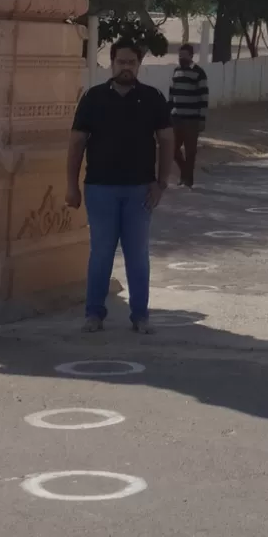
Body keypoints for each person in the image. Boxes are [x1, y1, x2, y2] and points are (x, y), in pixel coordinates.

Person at [66, 42, 172, 334]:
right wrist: (71, 186)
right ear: (111, 63)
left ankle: (140, 315)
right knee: (101, 252)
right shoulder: (93, 99)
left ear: (139, 65)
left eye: (132, 63)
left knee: (137, 254)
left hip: (140, 191)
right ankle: (93, 314)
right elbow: (76, 144)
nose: (127, 67)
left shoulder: (153, 99)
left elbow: (166, 141)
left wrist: (161, 184)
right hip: (100, 188)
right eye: (121, 62)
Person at [167, 42, 210, 186]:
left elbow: (204, 98)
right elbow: (172, 94)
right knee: (172, 149)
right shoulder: (176, 71)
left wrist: (202, 119)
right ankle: (185, 172)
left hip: (192, 119)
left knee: (190, 151)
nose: (181, 58)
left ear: (191, 56)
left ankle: (188, 180)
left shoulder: (199, 73)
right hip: (176, 117)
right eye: (180, 55)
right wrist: (168, 113)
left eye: (184, 56)